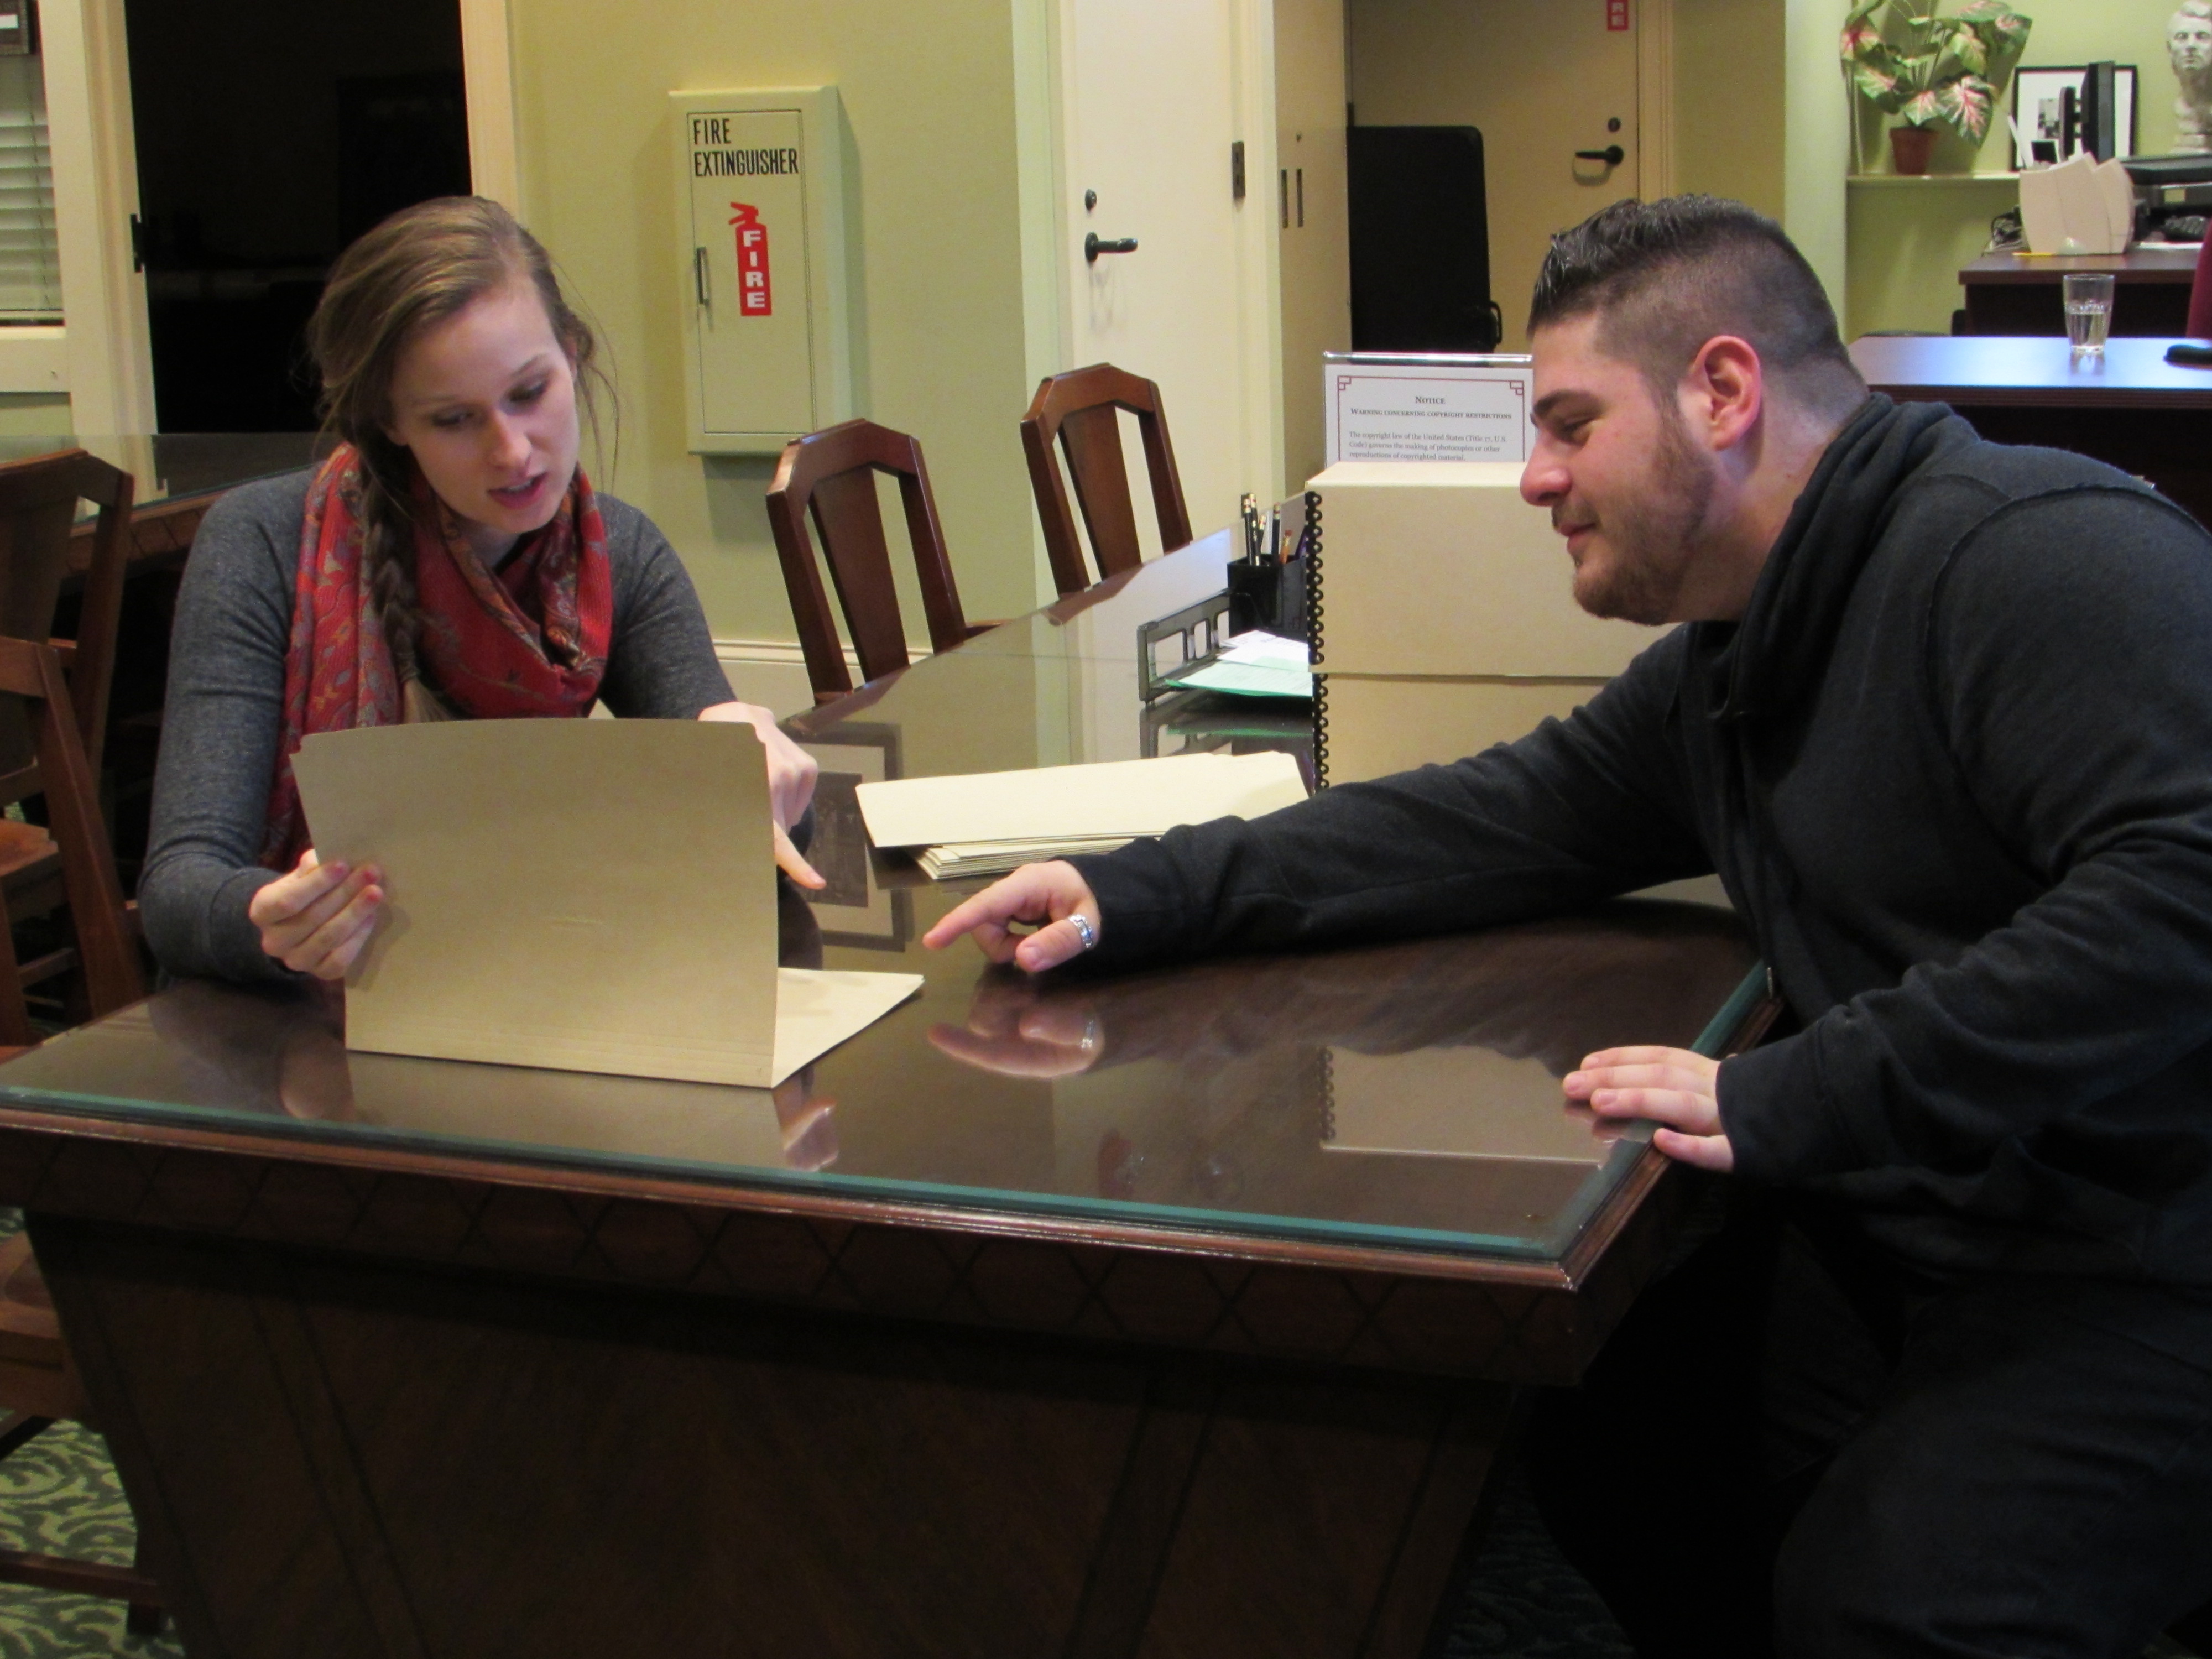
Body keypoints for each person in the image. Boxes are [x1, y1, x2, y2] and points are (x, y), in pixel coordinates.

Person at [923, 195, 2212, 1656]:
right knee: (1615, 1439)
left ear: (1722, 392)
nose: (1533, 479)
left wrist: (1795, 1090)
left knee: (1896, 1607)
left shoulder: (2033, 561)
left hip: (2144, 1254)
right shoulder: (1738, 656)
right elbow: (1489, 820)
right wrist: (1133, 889)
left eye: (1569, 424)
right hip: (1947, 1225)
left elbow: (2186, 896)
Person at [141, 196, 821, 985]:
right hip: (291, 1028)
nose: (512, 451)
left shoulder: (620, 553)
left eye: (530, 393)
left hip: (523, 995)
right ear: (390, 423)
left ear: (573, 355)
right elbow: (178, 889)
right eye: (454, 420)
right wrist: (268, 921)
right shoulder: (261, 544)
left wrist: (751, 771)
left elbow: (764, 853)